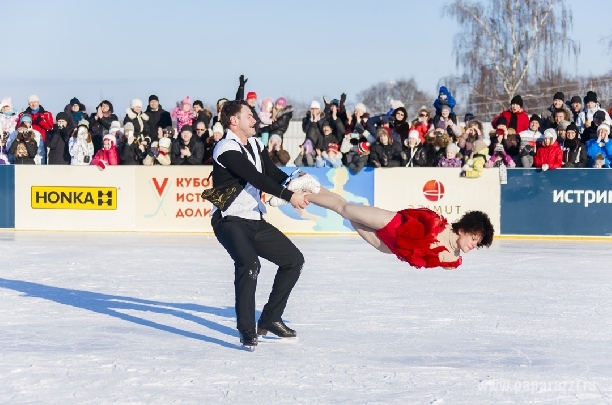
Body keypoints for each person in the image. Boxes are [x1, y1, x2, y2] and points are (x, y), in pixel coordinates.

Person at [205, 99, 308, 347]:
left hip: (253, 219)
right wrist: (290, 196)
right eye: (249, 116)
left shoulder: (254, 142)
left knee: (293, 261)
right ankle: (247, 328)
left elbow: (271, 172)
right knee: (249, 265)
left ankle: (271, 319)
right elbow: (255, 177)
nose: (255, 120)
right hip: (229, 221)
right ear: (234, 121)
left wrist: (294, 179)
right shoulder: (225, 148)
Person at [273, 180, 493, 269]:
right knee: (345, 208)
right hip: (391, 224)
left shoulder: (454, 260)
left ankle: (311, 186)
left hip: (386, 246)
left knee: (345, 211)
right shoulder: (439, 223)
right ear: (463, 229)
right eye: (474, 238)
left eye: (478, 242)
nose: (474, 244)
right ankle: (300, 193)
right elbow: (412, 214)